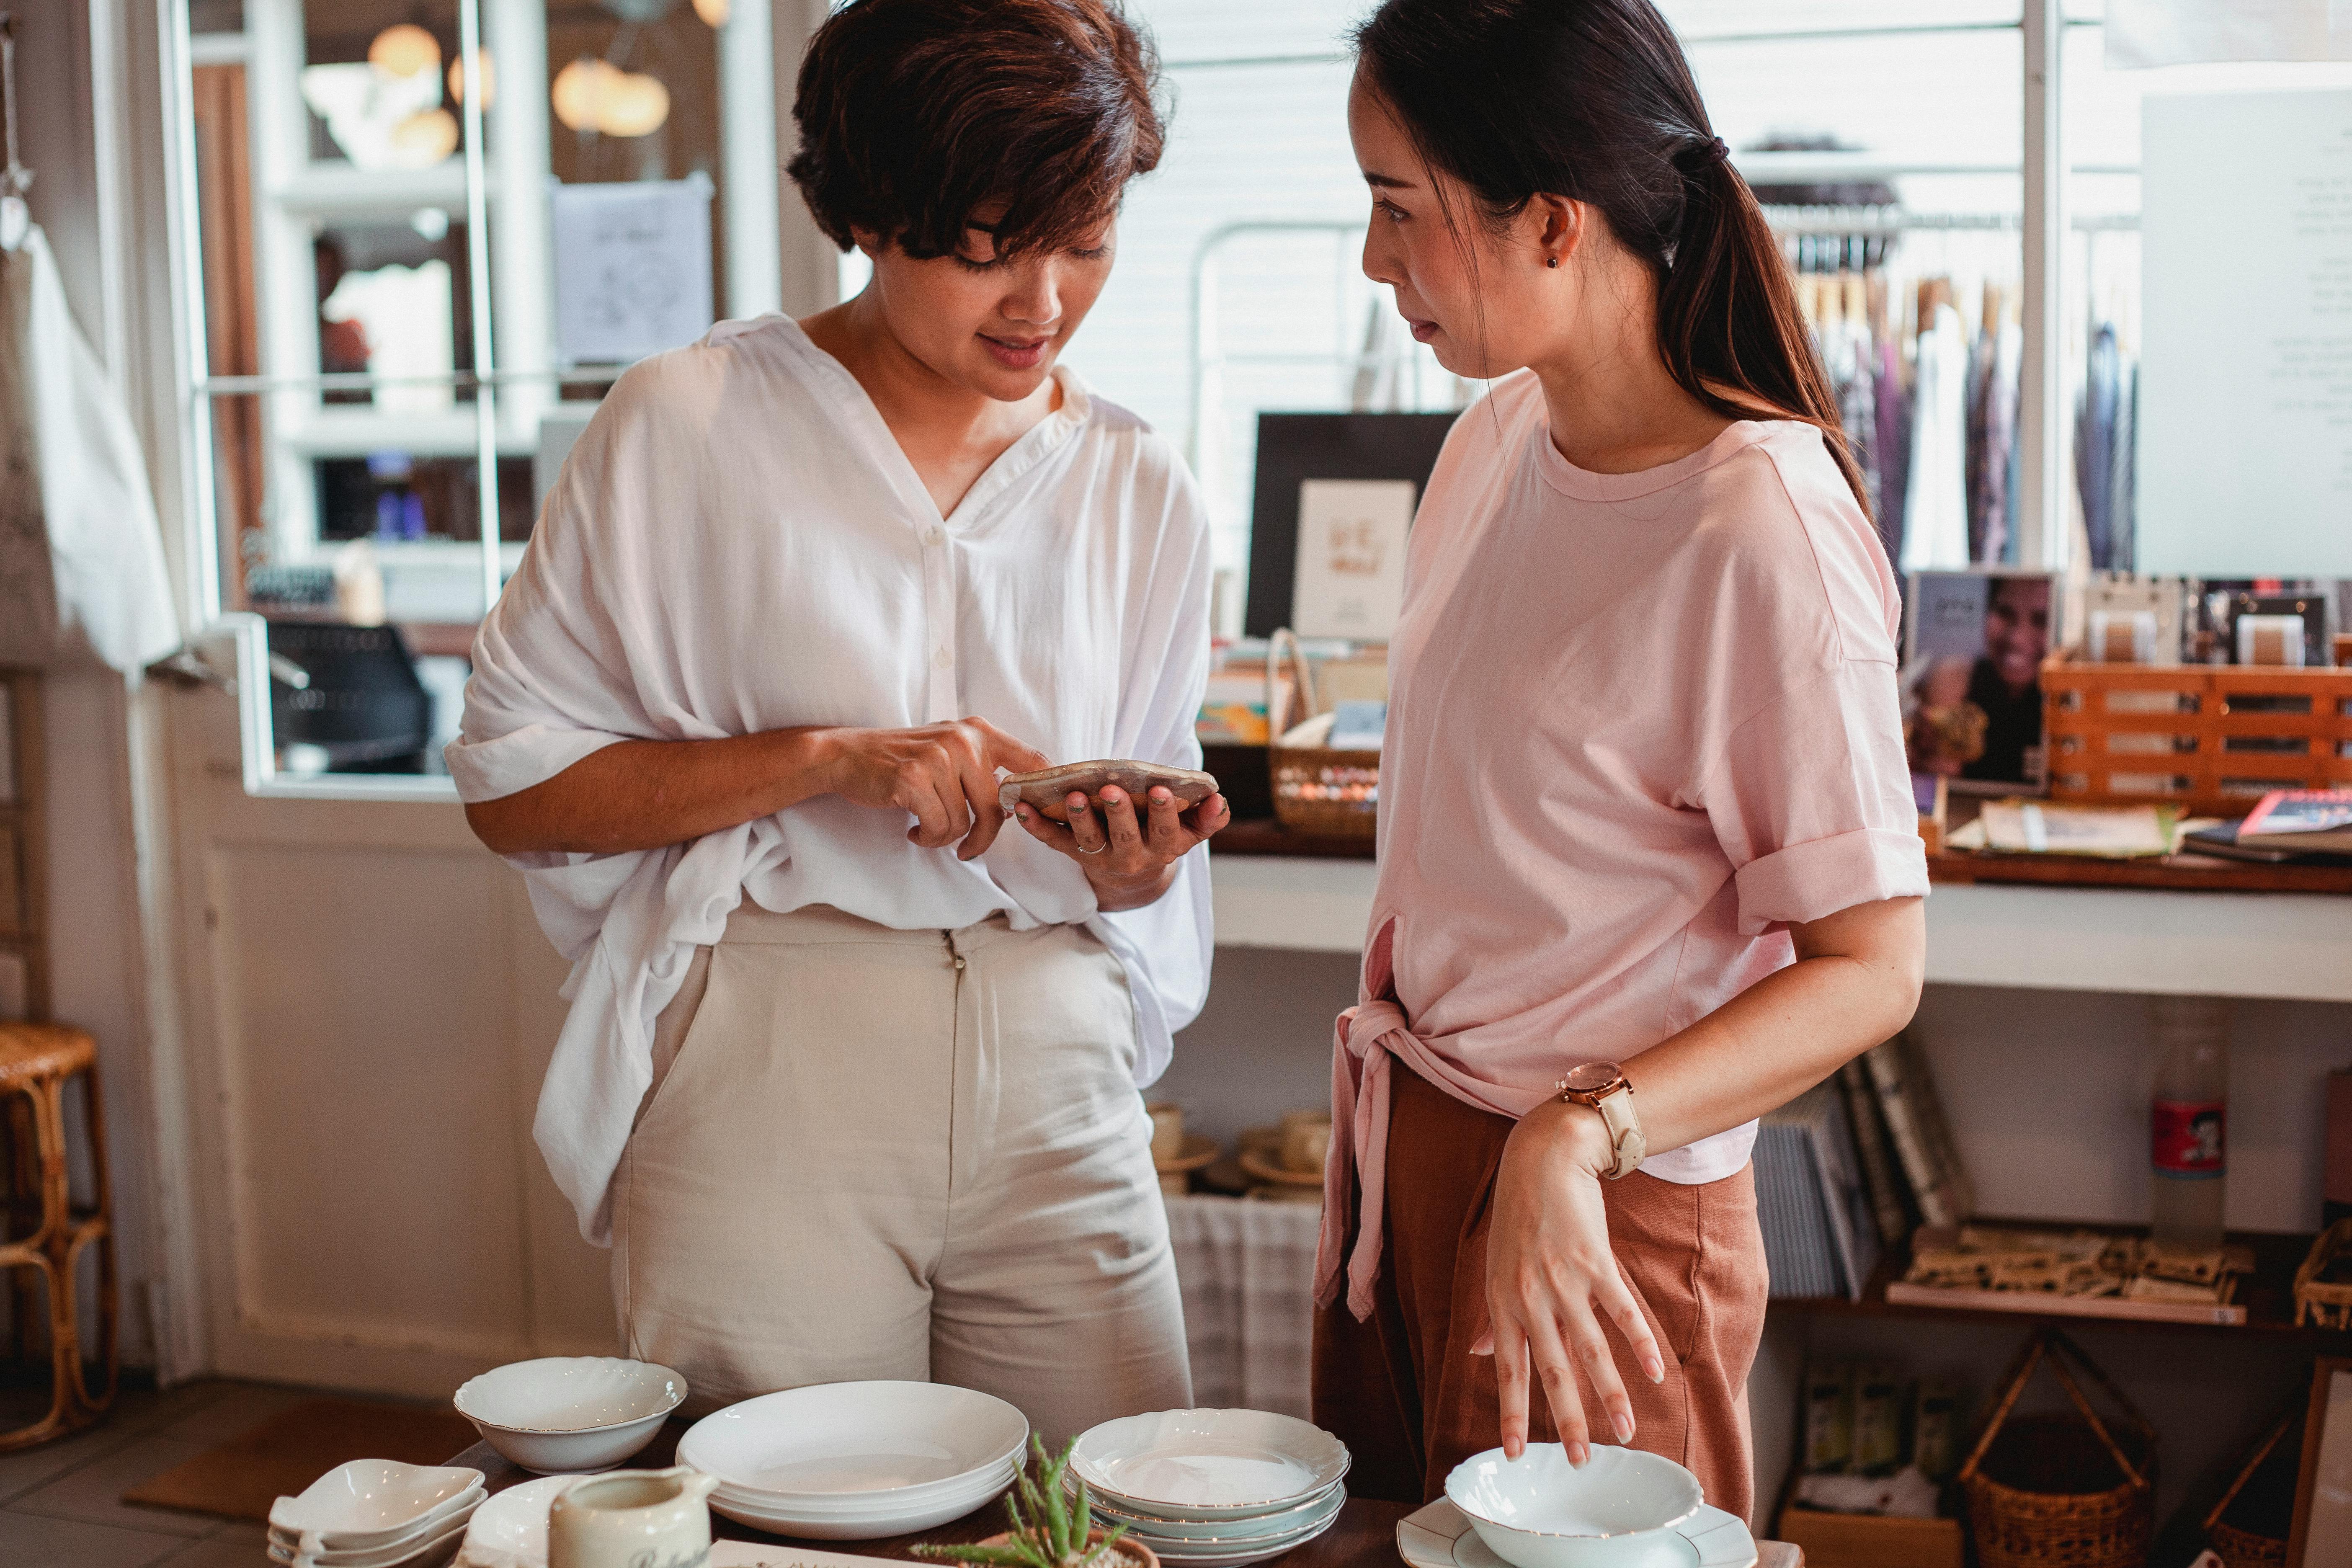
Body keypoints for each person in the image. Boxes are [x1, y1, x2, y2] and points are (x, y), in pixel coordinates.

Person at [448, 0, 1229, 1442]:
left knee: (1108, 1509)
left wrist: (1132, 864)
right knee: (786, 1520)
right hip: (771, 1053)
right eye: (986, 248)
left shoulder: (1140, 486)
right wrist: (823, 760)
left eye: (1087, 242)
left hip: (1056, 1047)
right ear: (868, 215)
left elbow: (1138, 868)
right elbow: (514, 789)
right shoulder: (687, 424)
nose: (1041, 302)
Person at [1312, 0, 1930, 1518]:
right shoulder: (1492, 442)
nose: (1375, 260)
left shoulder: (1759, 530)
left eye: (1399, 209)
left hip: (1603, 1206)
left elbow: (1872, 965)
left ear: (1553, 223)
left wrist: (1578, 1137)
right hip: (1420, 1164)